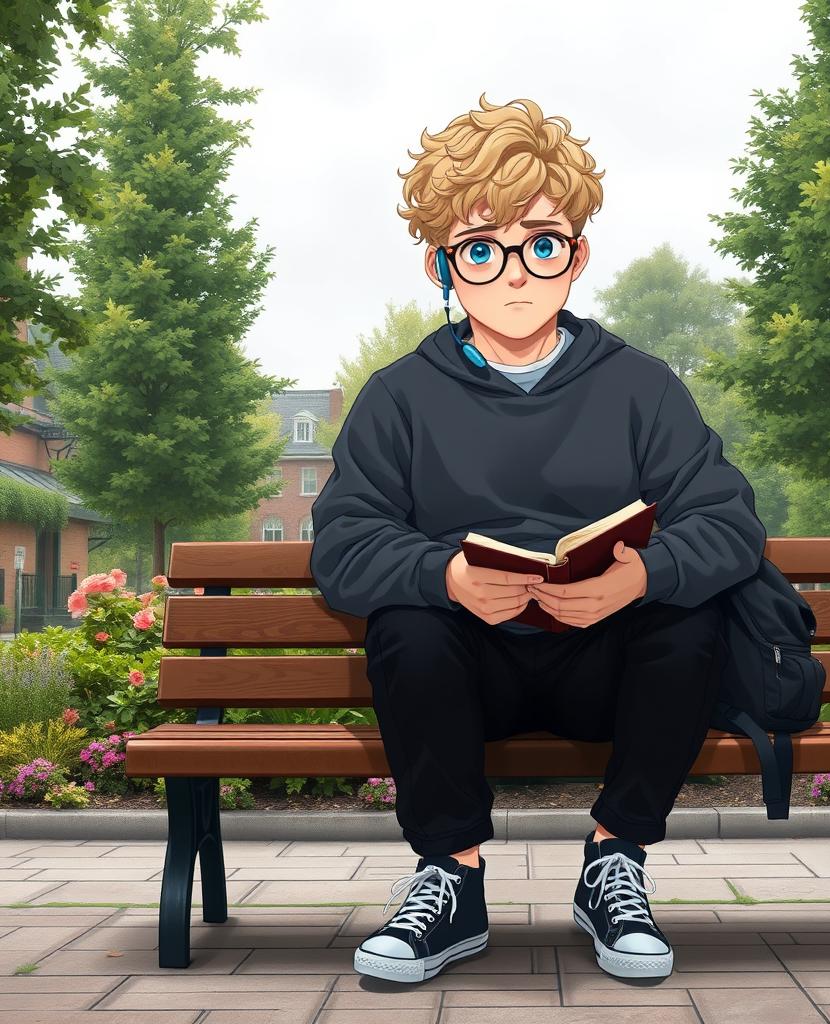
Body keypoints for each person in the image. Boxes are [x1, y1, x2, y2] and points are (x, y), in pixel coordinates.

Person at [309, 94, 766, 985]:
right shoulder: (399, 396)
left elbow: (728, 520)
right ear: (444, 266)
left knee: (687, 614)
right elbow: (343, 546)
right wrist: (443, 575)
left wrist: (641, 578)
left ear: (577, 253)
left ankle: (614, 863)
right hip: (464, 672)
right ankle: (452, 877)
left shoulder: (641, 386)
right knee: (406, 623)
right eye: (482, 250)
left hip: (604, 664)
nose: (514, 273)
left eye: (541, 243)